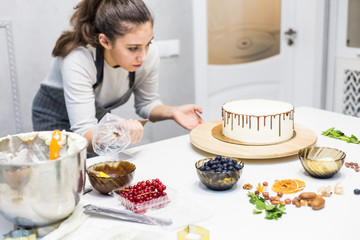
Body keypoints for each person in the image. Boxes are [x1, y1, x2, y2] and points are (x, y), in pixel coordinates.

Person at [32, 0, 203, 153]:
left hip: (91, 124)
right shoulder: (79, 59)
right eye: (133, 48)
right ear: (105, 41)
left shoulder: (148, 55)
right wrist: (113, 130)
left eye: (148, 43)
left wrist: (173, 112)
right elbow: (84, 135)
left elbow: (147, 103)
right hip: (54, 117)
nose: (143, 56)